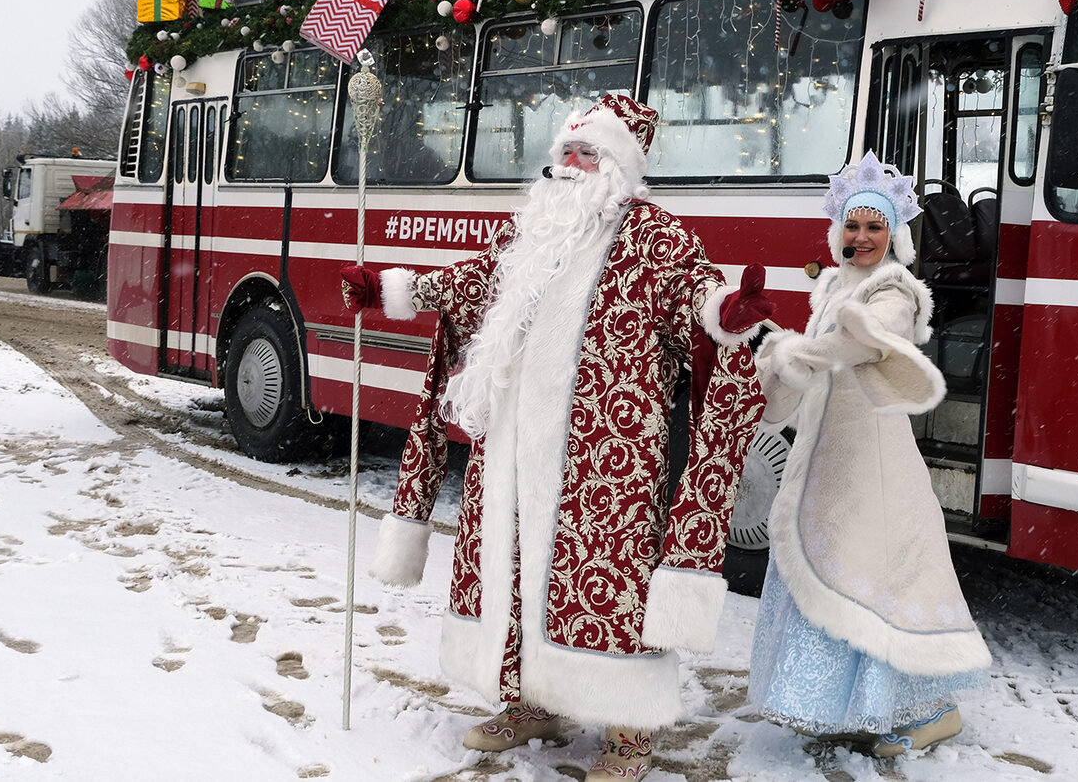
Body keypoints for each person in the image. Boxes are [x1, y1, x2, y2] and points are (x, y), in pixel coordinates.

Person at [341, 93, 772, 782]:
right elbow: (474, 280)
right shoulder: (530, 231)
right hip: (511, 445)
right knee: (509, 569)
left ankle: (629, 730)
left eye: (587, 153)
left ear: (617, 167)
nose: (571, 165)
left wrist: (726, 309)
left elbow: (697, 289)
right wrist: (396, 290)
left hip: (606, 457)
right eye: (565, 152)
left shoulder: (653, 235)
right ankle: (531, 700)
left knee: (607, 585)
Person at [748, 152, 992, 757]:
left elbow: (869, 339)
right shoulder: (832, 284)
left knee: (878, 577)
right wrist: (778, 359)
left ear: (893, 235)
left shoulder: (897, 288)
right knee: (832, 567)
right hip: (827, 456)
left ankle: (931, 710)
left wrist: (799, 352)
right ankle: (852, 706)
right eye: (852, 226)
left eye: (874, 227)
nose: (861, 237)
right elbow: (821, 354)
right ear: (837, 232)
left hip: (872, 462)